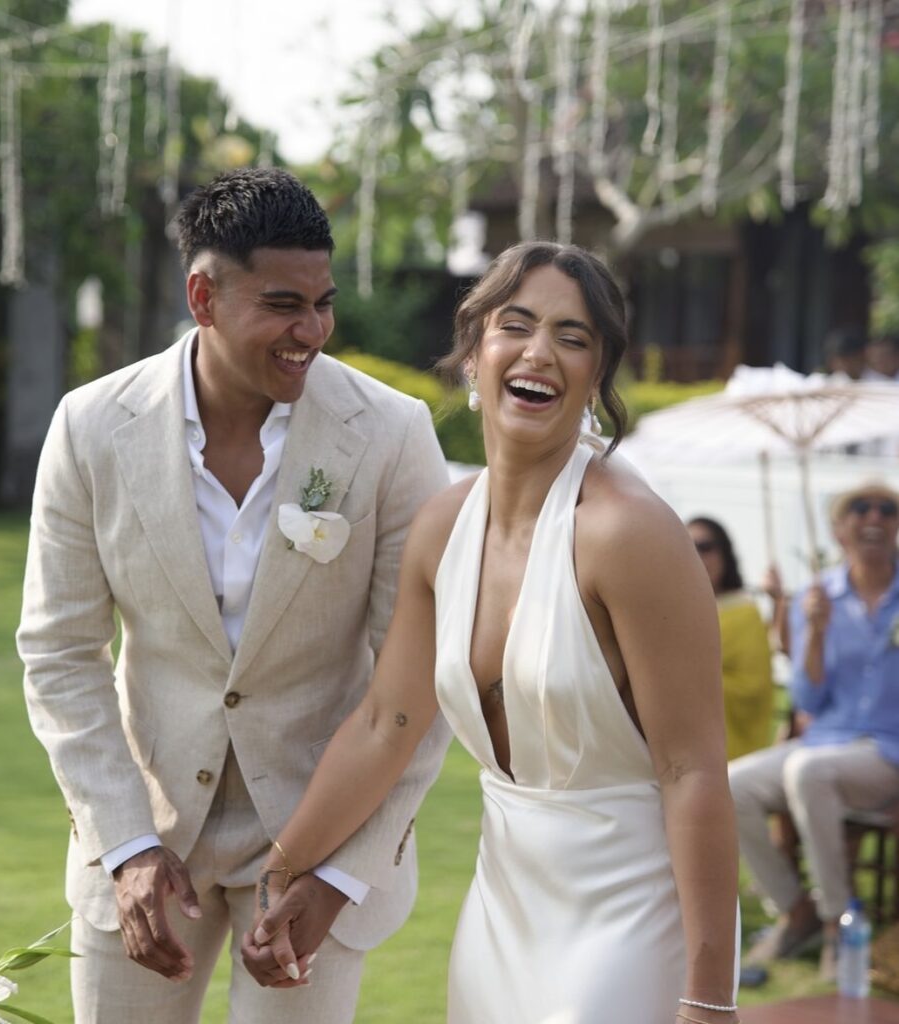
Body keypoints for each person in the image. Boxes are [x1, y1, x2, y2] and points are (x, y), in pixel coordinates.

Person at [246, 242, 741, 1024]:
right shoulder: (442, 526)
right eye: (516, 325)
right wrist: (284, 872)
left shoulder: (629, 534)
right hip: (501, 907)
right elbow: (386, 724)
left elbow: (694, 772)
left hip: (631, 911)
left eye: (572, 338)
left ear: (596, 376)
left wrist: (708, 996)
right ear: (475, 352)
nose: (540, 352)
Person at [17, 167, 451, 1024]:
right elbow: (60, 652)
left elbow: (418, 680)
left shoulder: (394, 434)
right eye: (284, 305)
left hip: (319, 826)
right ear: (203, 297)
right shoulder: (90, 426)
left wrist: (339, 875)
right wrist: (128, 844)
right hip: (144, 833)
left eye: (323, 303)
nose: (312, 332)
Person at [730, 480, 899, 981]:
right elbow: (807, 700)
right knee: (730, 783)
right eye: (858, 509)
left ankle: (836, 923)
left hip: (888, 751)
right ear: (838, 529)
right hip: (826, 741)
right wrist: (815, 633)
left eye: (886, 510)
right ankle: (795, 909)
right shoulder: (815, 596)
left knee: (807, 771)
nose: (873, 517)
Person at [687, 517, 775, 761]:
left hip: (727, 754)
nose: (697, 555)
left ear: (724, 552)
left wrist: (681, 679)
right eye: (687, 545)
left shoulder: (744, 612)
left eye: (705, 547)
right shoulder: (666, 612)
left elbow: (753, 689)